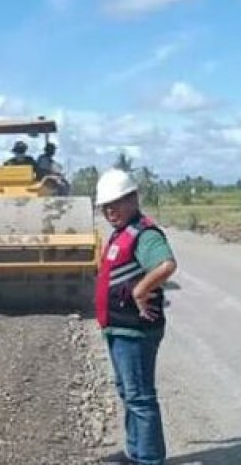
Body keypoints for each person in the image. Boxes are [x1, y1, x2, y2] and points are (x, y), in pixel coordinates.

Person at [94, 168, 177, 465]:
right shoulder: (121, 234)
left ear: (133, 199)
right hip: (120, 329)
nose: (110, 211)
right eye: (105, 206)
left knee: (140, 398)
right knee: (129, 393)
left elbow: (166, 265)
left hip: (136, 331)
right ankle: (135, 453)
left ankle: (149, 459)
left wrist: (141, 290)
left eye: (116, 203)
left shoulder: (145, 235)